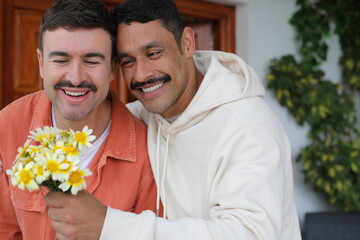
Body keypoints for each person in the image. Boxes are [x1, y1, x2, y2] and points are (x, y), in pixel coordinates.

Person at [0, 0, 158, 239]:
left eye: (92, 61)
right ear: (42, 64)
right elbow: (5, 229)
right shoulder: (8, 123)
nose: (75, 78)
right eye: (61, 60)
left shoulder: (150, 152)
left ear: (112, 68)